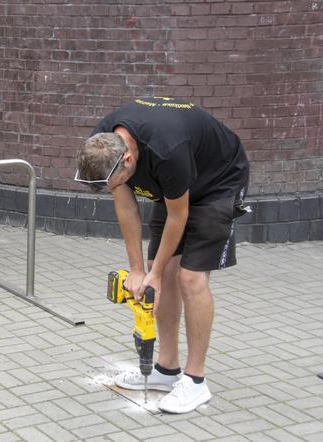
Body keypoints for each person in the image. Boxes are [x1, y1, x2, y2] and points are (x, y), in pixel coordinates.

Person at [75, 96, 250, 413]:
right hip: (173, 183)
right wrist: (139, 269)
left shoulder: (166, 149)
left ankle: (196, 382)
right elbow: (126, 207)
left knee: (190, 278)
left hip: (217, 182)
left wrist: (151, 274)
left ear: (127, 160)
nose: (109, 188)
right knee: (161, 272)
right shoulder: (102, 144)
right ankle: (167, 371)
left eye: (111, 182)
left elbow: (178, 215)